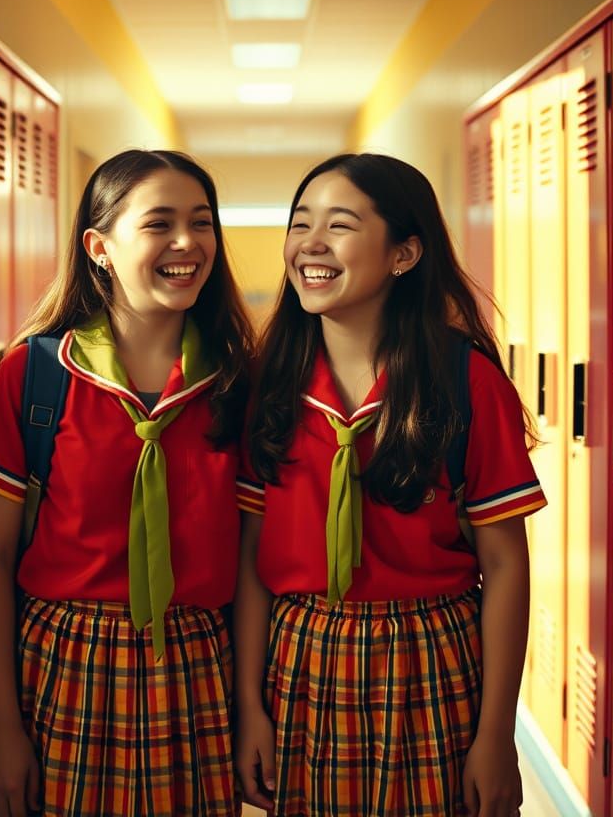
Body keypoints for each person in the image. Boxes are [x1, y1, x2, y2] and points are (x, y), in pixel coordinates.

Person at [233, 153, 545, 817]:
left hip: (429, 656)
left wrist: (496, 735)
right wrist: (249, 707)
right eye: (300, 222)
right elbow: (253, 564)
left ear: (404, 254)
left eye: (339, 225)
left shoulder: (465, 383)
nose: (310, 244)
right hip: (302, 660)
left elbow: (505, 563)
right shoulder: (268, 385)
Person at [0, 149, 253, 817]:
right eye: (160, 223)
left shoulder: (238, 384)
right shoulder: (35, 378)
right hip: (65, 663)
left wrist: (254, 708)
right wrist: (0, 728)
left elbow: (256, 559)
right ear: (99, 247)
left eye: (202, 224)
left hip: (197, 664)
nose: (187, 243)